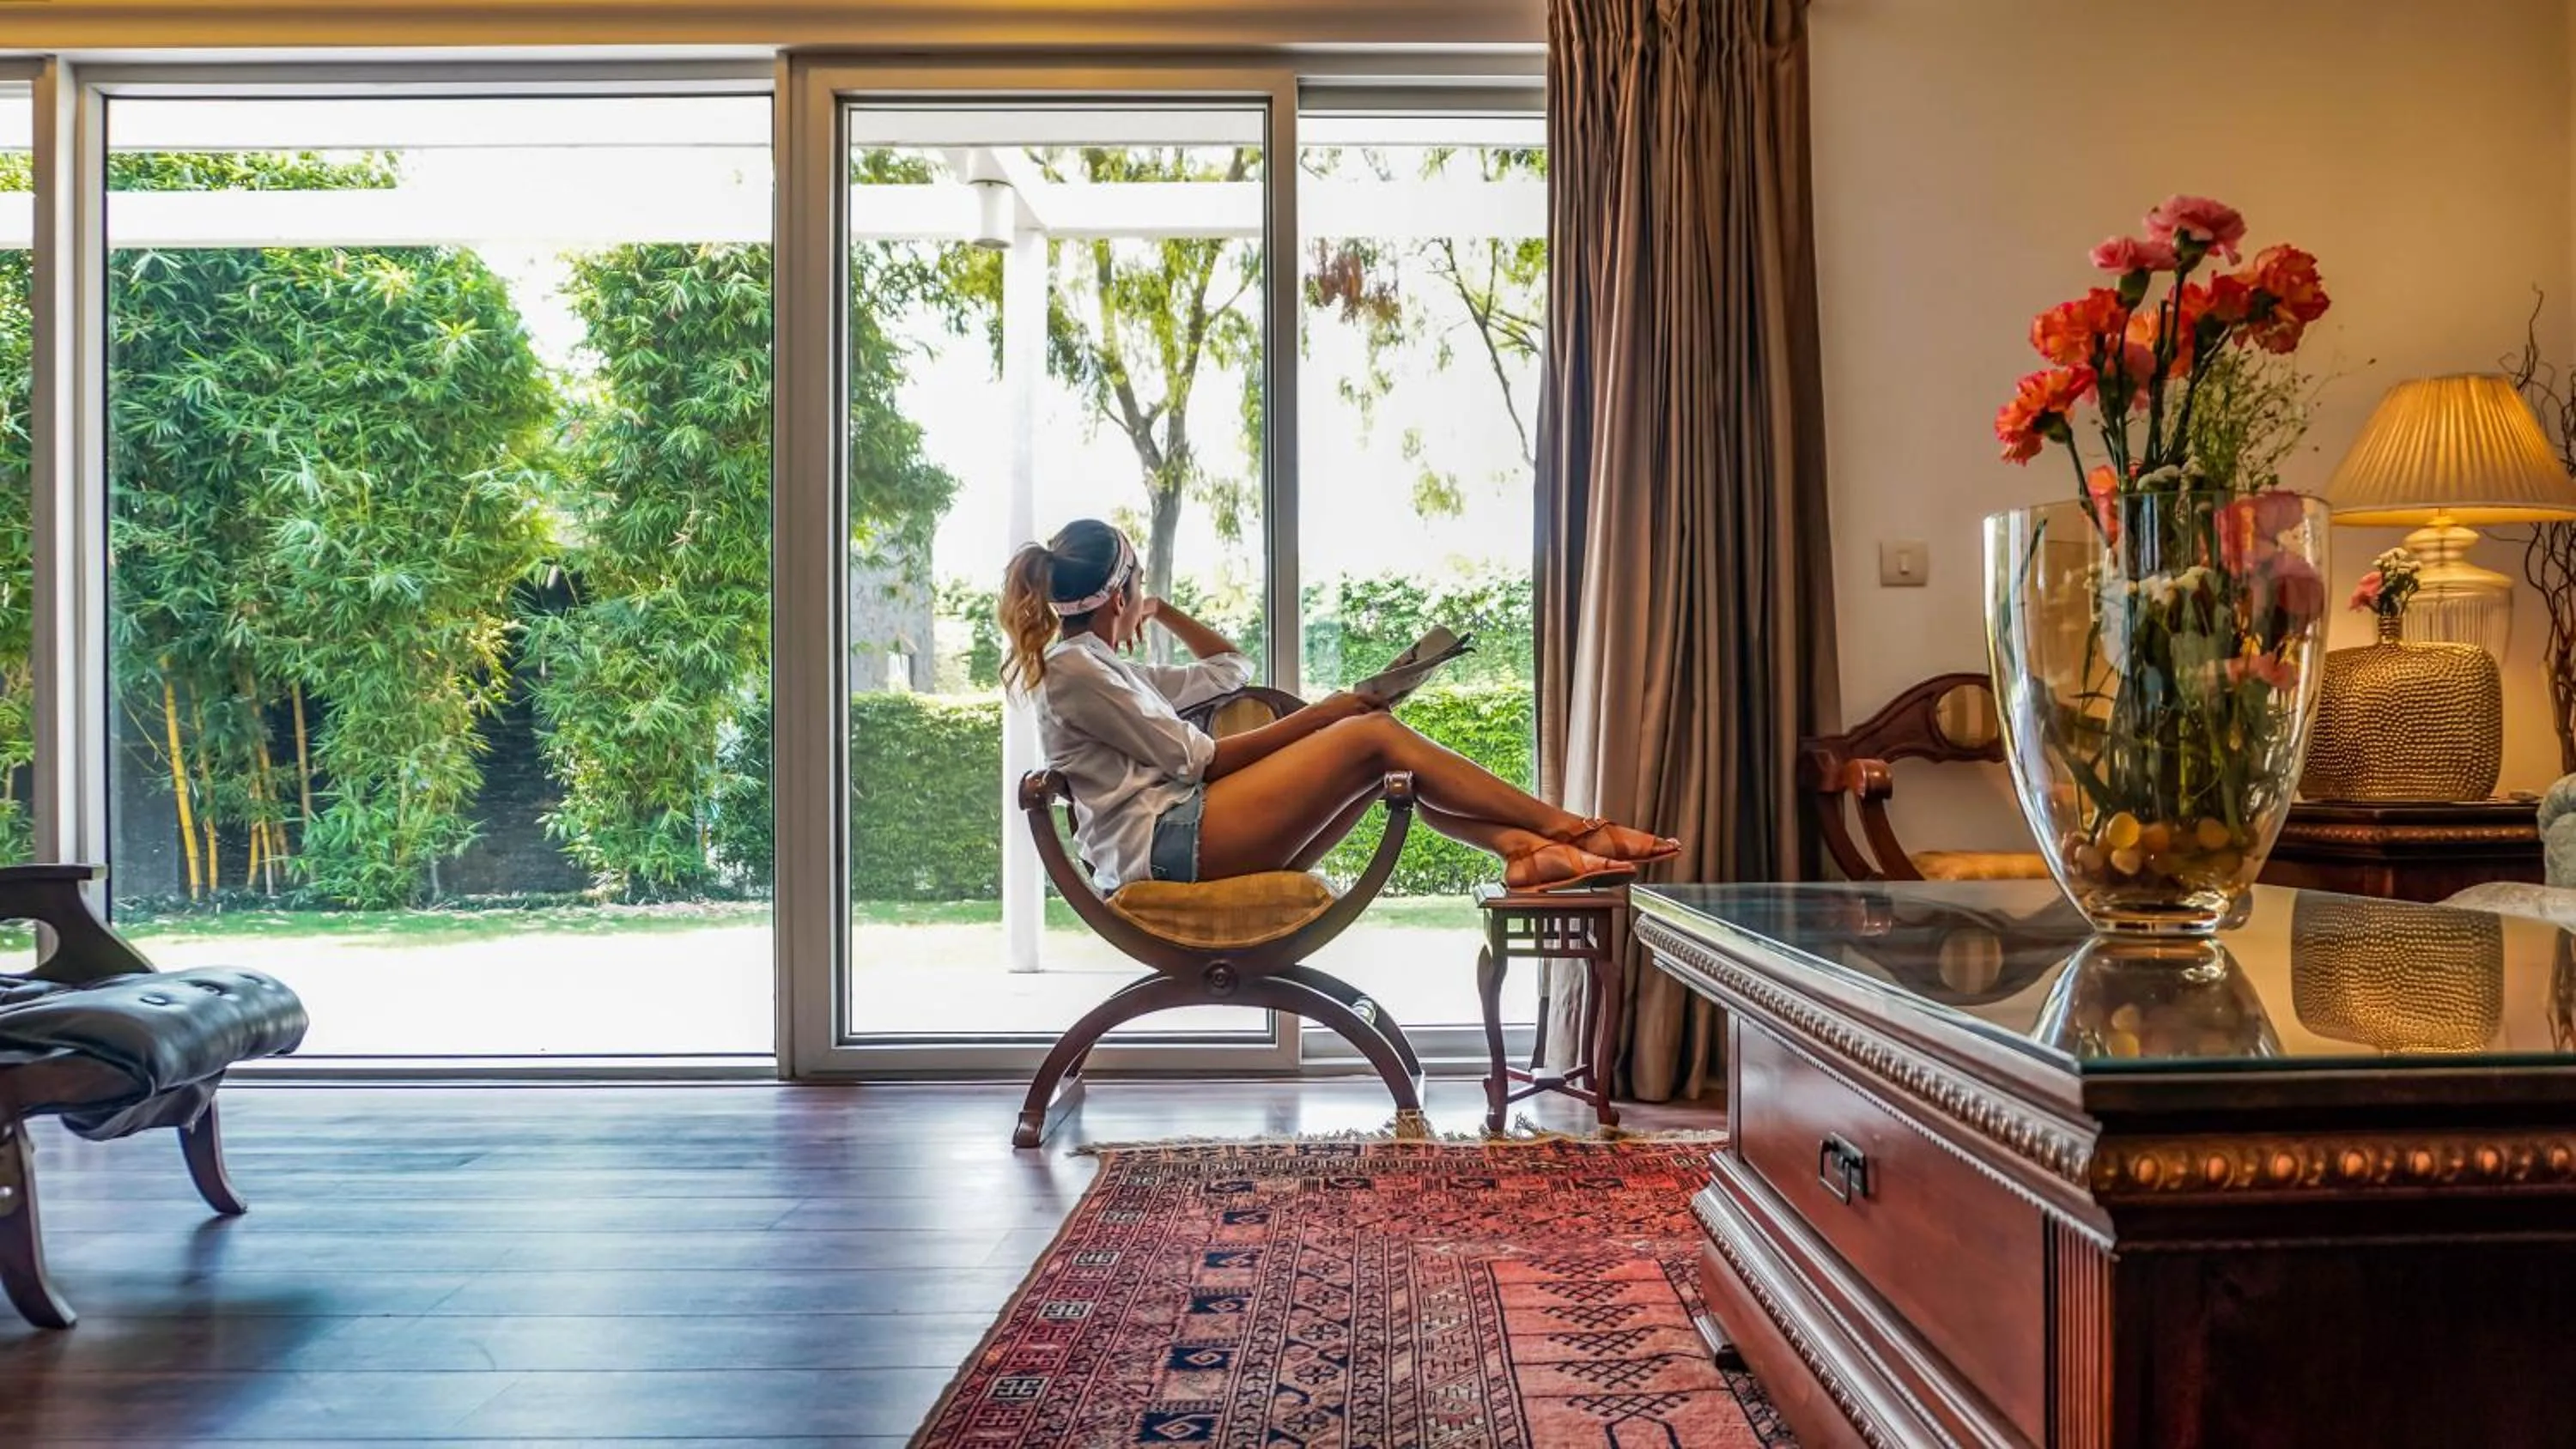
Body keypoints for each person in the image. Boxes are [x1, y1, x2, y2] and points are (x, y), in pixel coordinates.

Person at [999, 518, 1677, 895]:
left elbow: (1230, 668)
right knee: (1369, 735)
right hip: (1167, 848)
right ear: (1116, 595)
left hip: (1184, 832)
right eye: (1141, 583)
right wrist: (1327, 711)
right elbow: (1198, 760)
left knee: (1378, 756)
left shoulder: (1106, 667)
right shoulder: (1076, 671)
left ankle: (1522, 849)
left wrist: (1160, 608)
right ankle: (1572, 830)